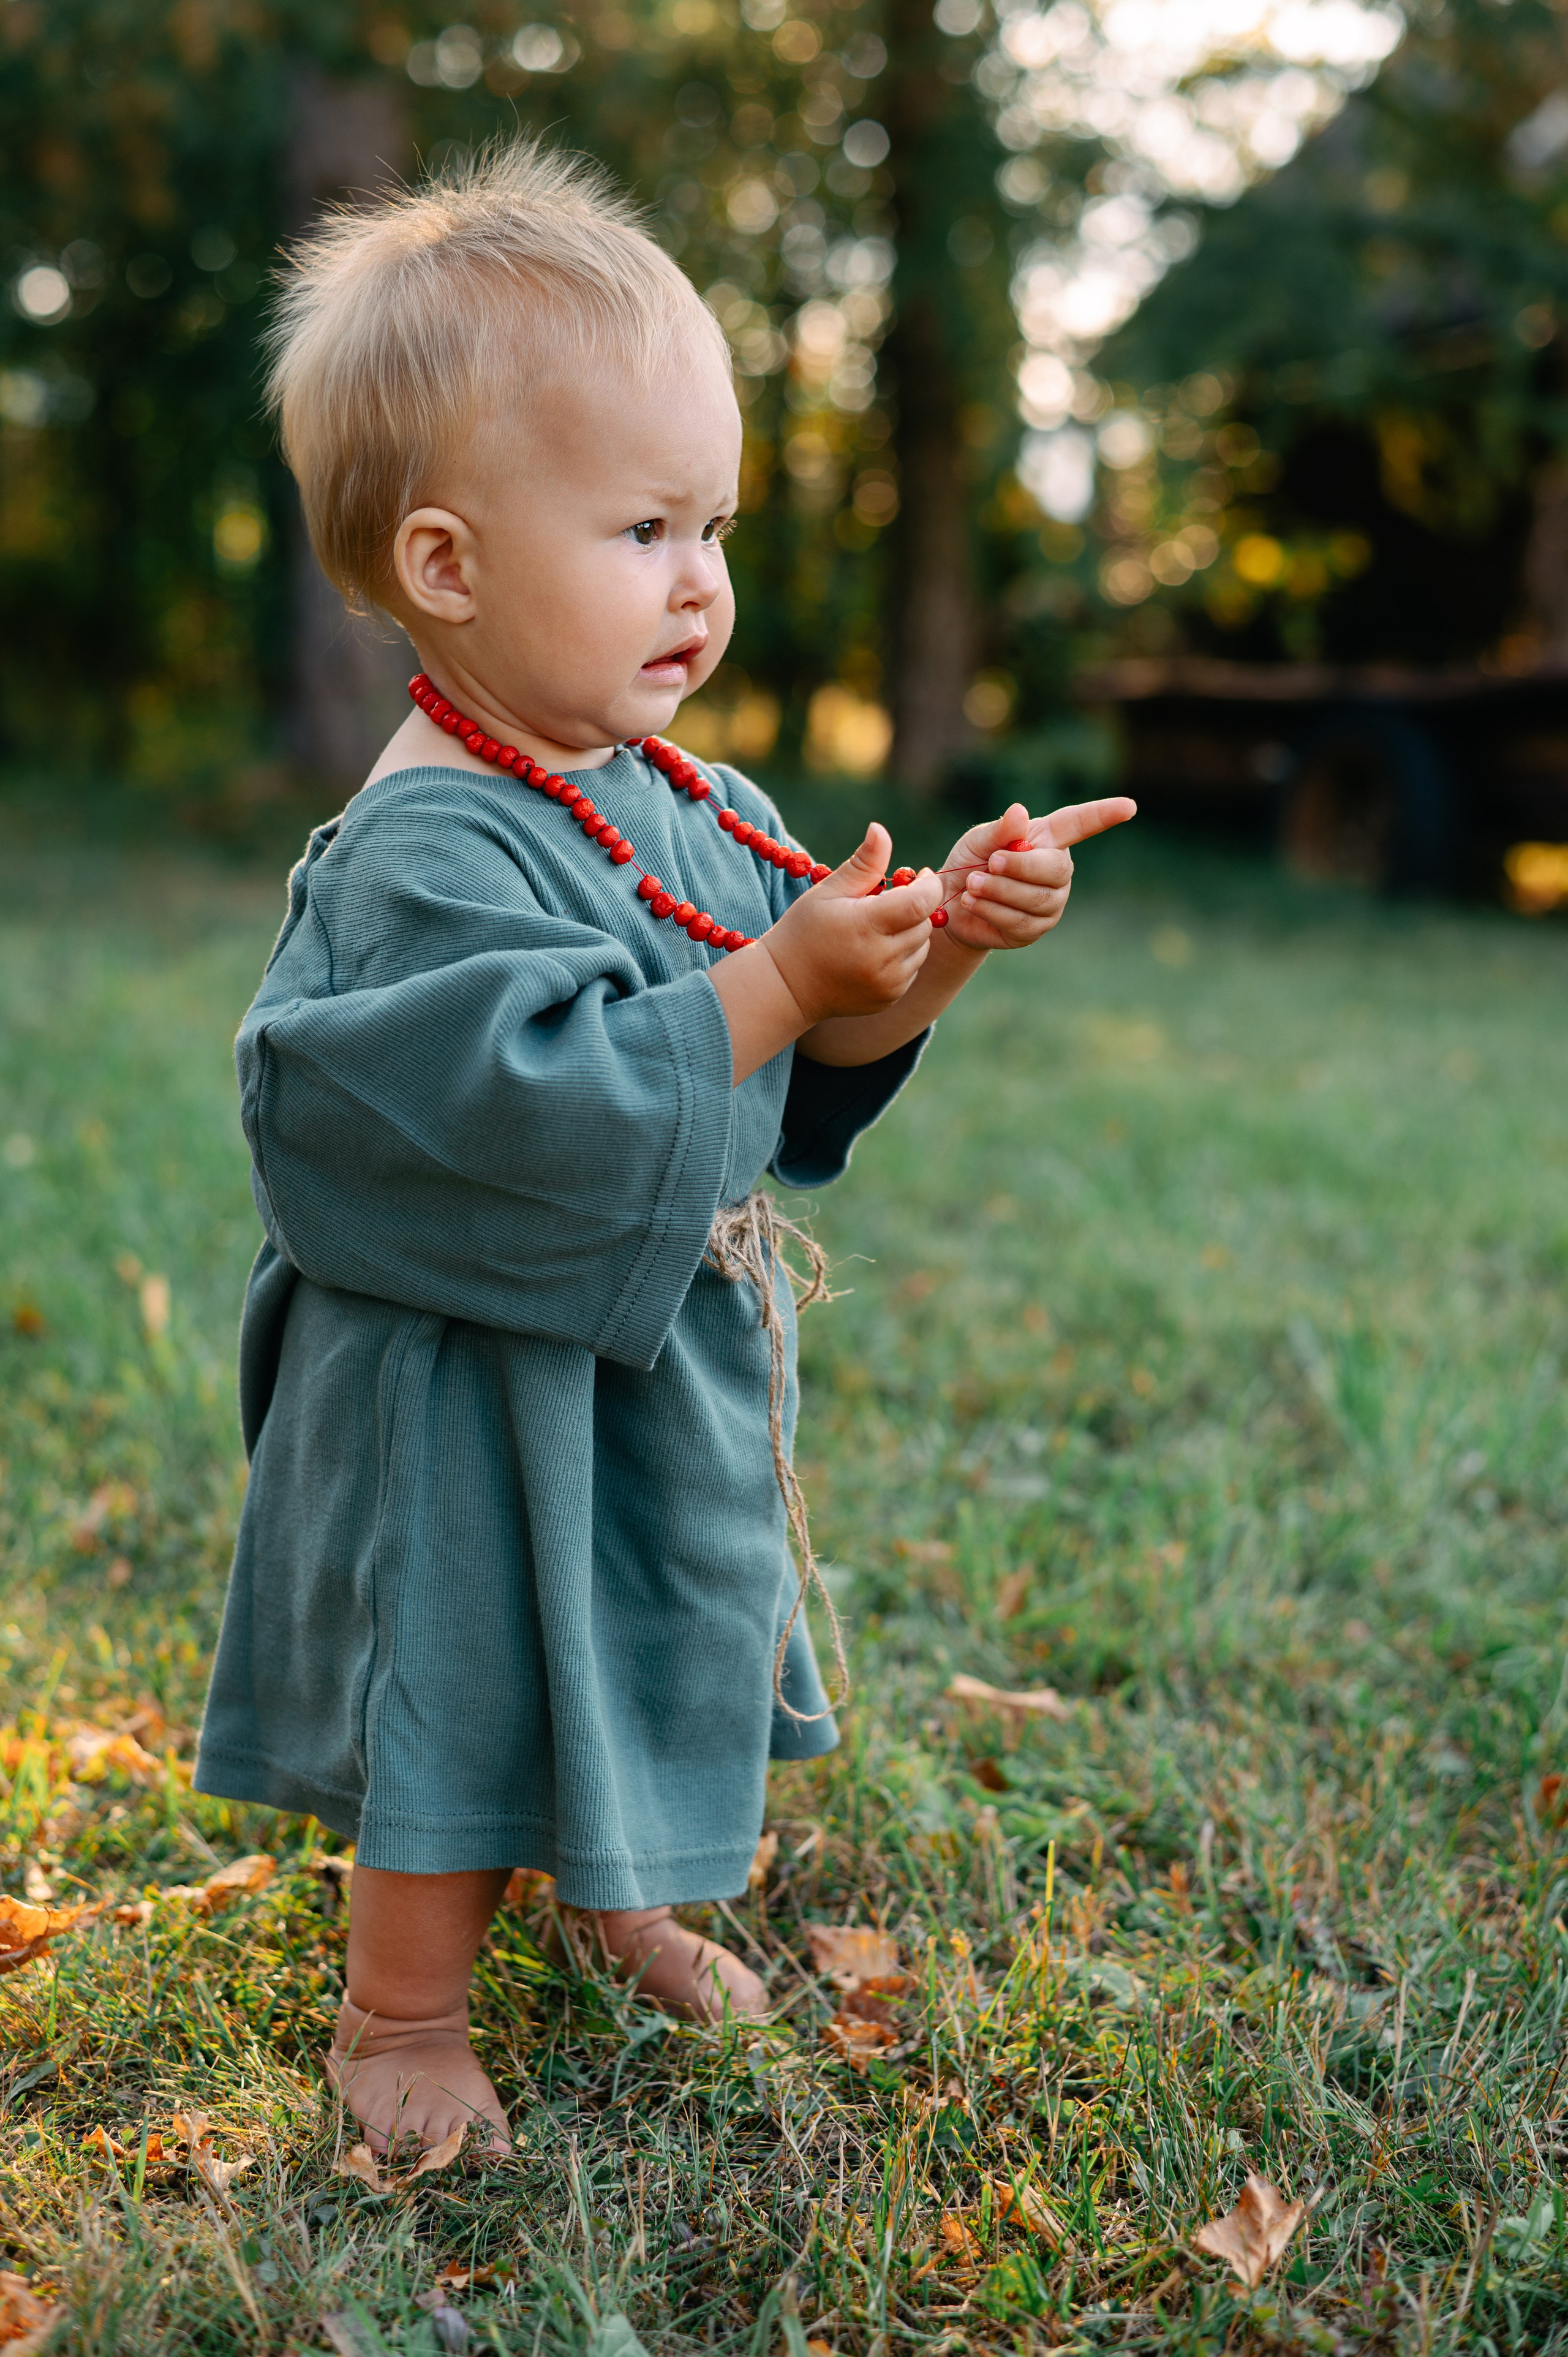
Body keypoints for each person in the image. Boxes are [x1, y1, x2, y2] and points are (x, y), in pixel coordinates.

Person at [192, 138, 1134, 2160]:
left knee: (643, 1624)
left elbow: (790, 1064)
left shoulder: (668, 789)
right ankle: (402, 2011)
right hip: (462, 1383)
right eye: (640, 525)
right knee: (462, 1663)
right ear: (447, 567)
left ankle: (620, 1884)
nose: (700, 577)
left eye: (712, 524)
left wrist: (931, 953)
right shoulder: (426, 847)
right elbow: (518, 1104)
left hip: (636, 1370)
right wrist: (781, 982)